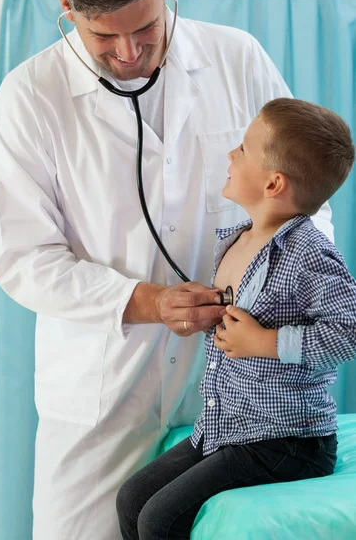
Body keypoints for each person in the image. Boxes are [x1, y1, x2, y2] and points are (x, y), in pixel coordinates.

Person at [0, 0, 333, 538]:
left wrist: (279, 304)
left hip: (237, 394)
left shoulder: (237, 58)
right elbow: (25, 260)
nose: (129, 54)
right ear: (66, 4)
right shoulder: (29, 98)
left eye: (146, 28)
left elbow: (305, 197)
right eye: (103, 37)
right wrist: (149, 303)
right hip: (104, 400)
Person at [116, 98, 356, 540]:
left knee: (159, 519)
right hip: (227, 426)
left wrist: (266, 342)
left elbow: (350, 331)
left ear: (273, 183)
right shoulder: (237, 240)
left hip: (286, 438)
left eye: (243, 150)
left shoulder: (309, 252)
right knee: (132, 499)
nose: (231, 155)